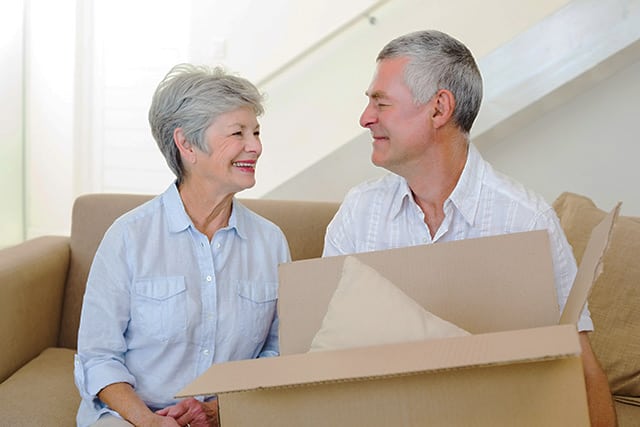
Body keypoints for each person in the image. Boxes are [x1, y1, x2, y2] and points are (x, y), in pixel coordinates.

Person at [323, 30, 617, 426]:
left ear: (439, 108)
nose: (366, 118)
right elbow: (321, 362)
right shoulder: (359, 213)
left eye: (381, 102)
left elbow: (580, 368)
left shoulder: (525, 221)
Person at [74, 64, 291, 427]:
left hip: (232, 416)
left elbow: (278, 350)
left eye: (255, 132)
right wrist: (150, 421)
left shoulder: (271, 242)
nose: (255, 146)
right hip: (131, 418)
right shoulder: (129, 237)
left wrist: (219, 409)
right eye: (237, 133)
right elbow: (98, 358)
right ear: (186, 143)